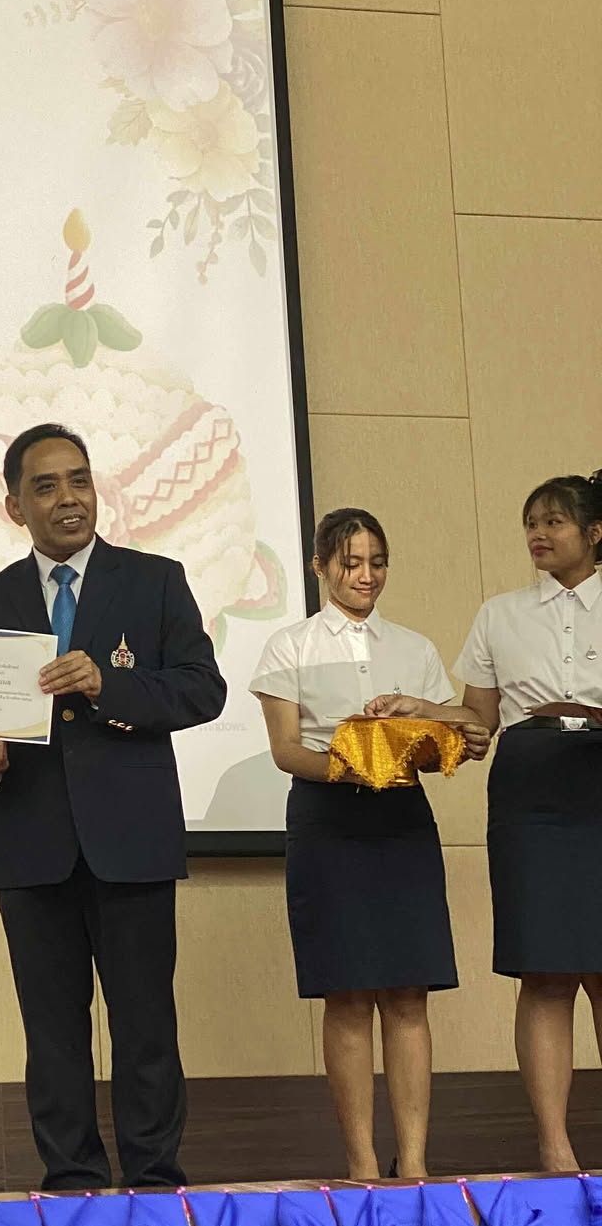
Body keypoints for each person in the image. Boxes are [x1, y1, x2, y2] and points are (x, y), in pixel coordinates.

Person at [0, 421, 225, 1191]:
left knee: (146, 1027)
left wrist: (111, 686)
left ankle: (155, 1182)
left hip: (132, 843)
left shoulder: (155, 580)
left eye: (79, 480)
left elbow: (203, 689)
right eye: (46, 487)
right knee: (53, 1034)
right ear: (15, 507)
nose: (68, 498)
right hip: (32, 844)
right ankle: (71, 1183)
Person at [250, 508, 490, 1181]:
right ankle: (361, 1165)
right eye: (350, 563)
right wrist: (354, 767)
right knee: (348, 994)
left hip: (402, 820)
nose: (366, 575)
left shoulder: (413, 646)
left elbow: (447, 740)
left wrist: (439, 729)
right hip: (327, 820)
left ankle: (413, 1164)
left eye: (377, 562)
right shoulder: (289, 646)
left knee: (409, 994)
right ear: (319, 567)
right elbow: (287, 750)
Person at [455, 469, 602, 1173]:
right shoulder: (499, 613)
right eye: (531, 524)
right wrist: (424, 718)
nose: (538, 535)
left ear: (594, 532)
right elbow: (477, 721)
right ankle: (554, 1147)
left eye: (554, 522)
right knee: (544, 971)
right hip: (531, 788)